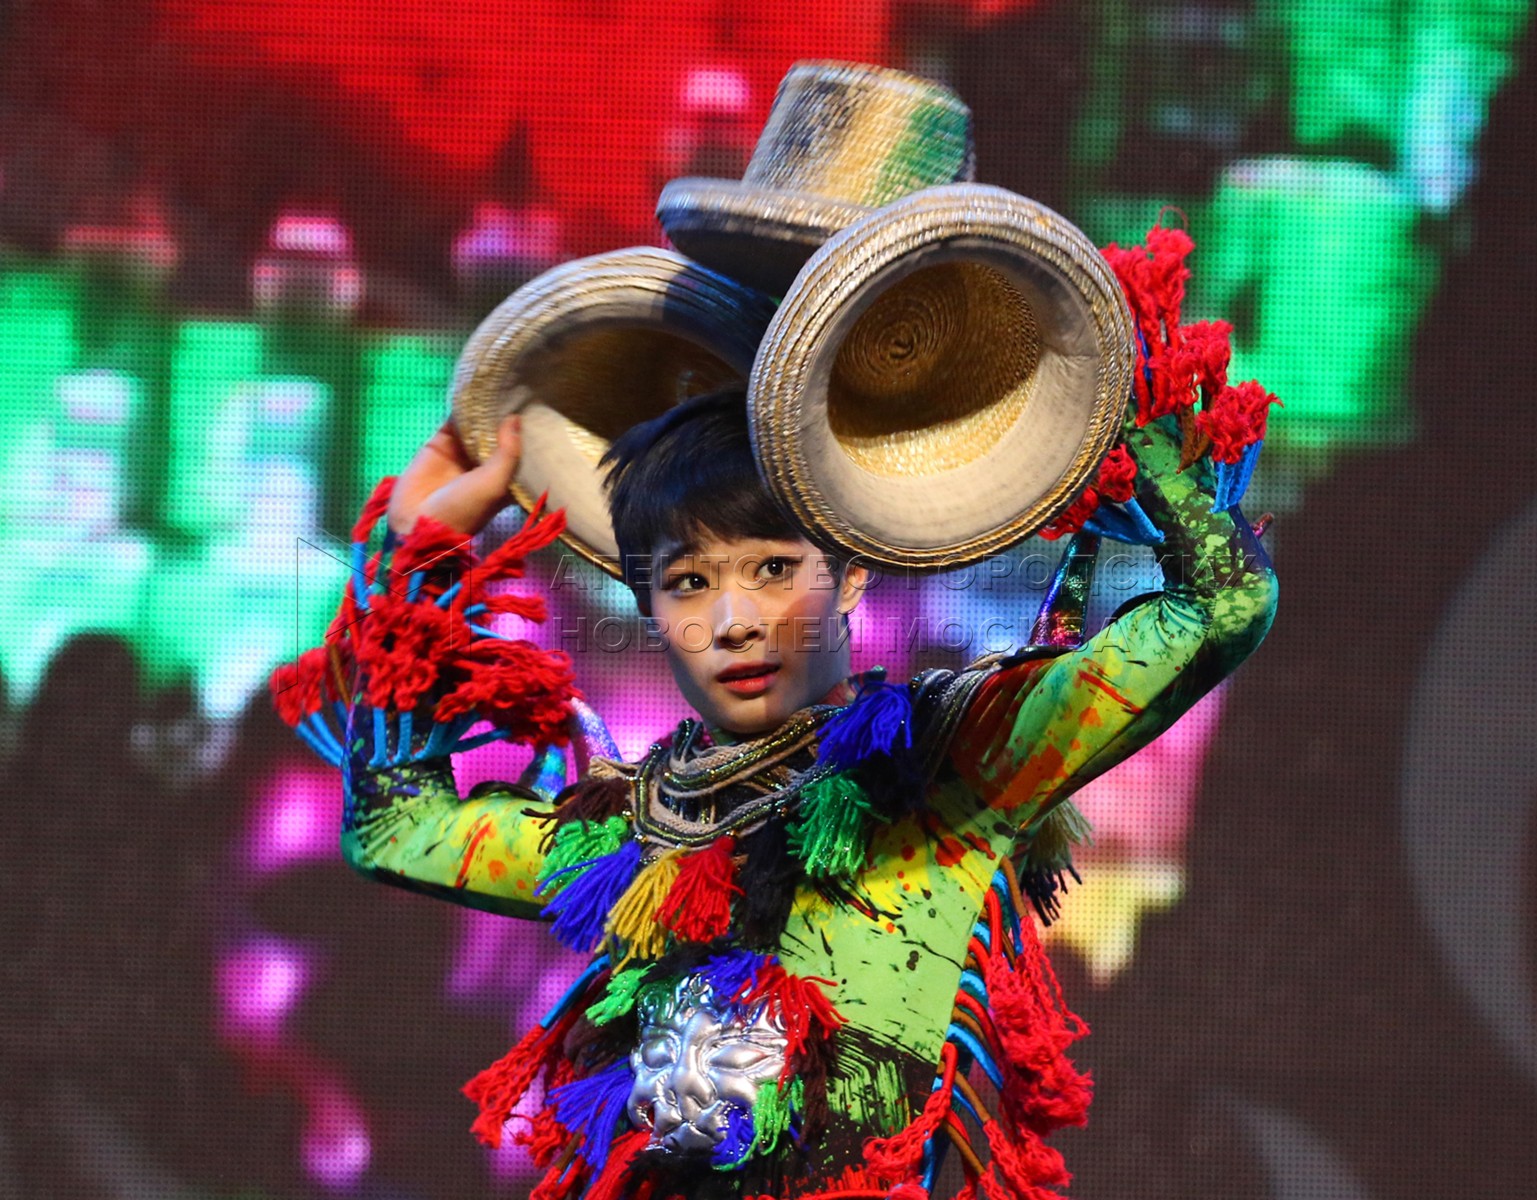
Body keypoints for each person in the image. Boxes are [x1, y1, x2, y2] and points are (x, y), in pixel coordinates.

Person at [272, 233, 1277, 1200]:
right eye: (690, 582)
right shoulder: (626, 839)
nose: (736, 620)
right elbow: (396, 829)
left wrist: (1126, 418)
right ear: (649, 608)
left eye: (772, 569)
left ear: (848, 580)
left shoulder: (947, 768)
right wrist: (415, 559)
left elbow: (1222, 607)